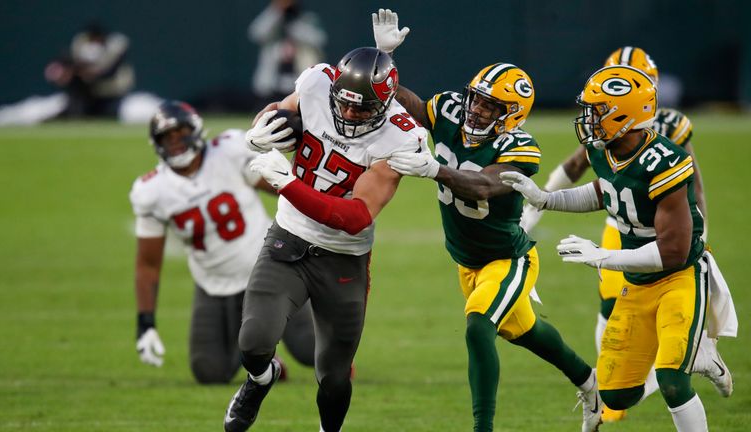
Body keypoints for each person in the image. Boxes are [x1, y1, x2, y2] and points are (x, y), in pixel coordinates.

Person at [372, 10, 602, 432]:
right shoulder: (450, 111)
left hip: (508, 259)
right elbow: (409, 104)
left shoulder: (521, 147)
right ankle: (589, 382)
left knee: (479, 326)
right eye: (475, 98)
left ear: (512, 114)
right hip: (467, 261)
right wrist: (383, 62)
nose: (476, 110)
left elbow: (482, 187)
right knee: (525, 332)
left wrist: (434, 170)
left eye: (489, 105)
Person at [501, 65, 737, 432]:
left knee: (673, 380)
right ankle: (702, 355)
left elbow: (673, 251)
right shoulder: (606, 149)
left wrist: (603, 256)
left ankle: (698, 354)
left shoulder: (667, 161)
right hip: (637, 281)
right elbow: (605, 191)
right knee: (616, 395)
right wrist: (546, 199)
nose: (588, 118)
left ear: (624, 115)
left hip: (680, 278)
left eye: (597, 111)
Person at [222, 47, 427, 432]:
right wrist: (259, 131)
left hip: (343, 260)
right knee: (253, 342)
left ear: (385, 104)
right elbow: (281, 111)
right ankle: (261, 379)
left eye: (362, 110)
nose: (349, 115)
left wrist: (287, 183)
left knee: (334, 375)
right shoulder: (317, 82)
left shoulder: (401, 137)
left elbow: (355, 217)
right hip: (289, 239)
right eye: (345, 105)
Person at [129, 100, 315, 384]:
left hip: (267, 270)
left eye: (180, 134)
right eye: (168, 138)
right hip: (214, 284)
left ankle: (325, 357)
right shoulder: (151, 191)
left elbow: (284, 190)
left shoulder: (229, 151)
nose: (176, 144)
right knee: (209, 371)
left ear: (197, 131)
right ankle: (266, 361)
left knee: (310, 348)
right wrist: (145, 323)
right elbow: (148, 264)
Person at [45, 22, 135, 118]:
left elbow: (110, 71)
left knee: (109, 114)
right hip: (88, 92)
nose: (94, 42)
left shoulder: (116, 45)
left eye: (97, 39)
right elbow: (72, 64)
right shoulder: (81, 43)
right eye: (91, 39)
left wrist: (91, 73)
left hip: (112, 92)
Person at [248, 0, 326, 109]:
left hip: (298, 79)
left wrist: (293, 26)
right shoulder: (272, 18)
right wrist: (276, 11)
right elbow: (256, 34)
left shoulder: (307, 18)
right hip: (271, 81)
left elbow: (319, 39)